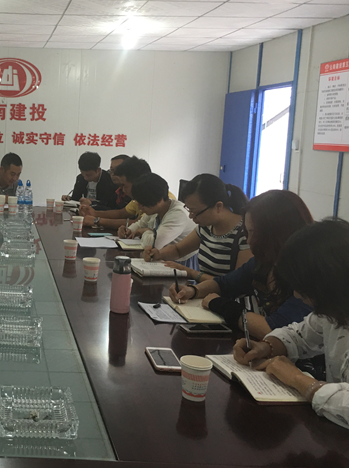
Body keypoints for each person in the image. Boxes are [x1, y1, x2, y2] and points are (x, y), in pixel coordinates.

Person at [233, 218, 349, 430]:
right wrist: (266, 347)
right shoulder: (335, 311)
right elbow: (299, 335)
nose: (297, 295)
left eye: (303, 289)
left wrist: (298, 379)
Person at [169, 190, 313, 340]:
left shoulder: (308, 275)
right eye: (247, 233)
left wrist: (219, 304)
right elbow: (225, 283)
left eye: (254, 233)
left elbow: (274, 329)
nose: (249, 241)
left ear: (278, 233)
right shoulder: (263, 262)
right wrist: (193, 290)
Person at [144, 174, 252, 281]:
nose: (191, 216)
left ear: (218, 206)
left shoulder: (246, 234)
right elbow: (178, 250)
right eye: (189, 210)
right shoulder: (206, 227)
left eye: (194, 212)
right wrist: (158, 254)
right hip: (204, 290)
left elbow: (236, 283)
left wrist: (191, 273)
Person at [117, 173, 198, 267]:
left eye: (142, 204)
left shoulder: (178, 214)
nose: (139, 207)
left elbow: (153, 244)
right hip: (159, 258)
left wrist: (146, 231)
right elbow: (140, 224)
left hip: (180, 264)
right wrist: (128, 230)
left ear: (159, 200)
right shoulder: (156, 208)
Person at [80, 157, 174, 229]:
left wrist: (97, 220)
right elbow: (122, 213)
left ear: (137, 182)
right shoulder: (139, 197)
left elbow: (138, 223)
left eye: (124, 186)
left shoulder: (157, 198)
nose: (122, 190)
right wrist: (94, 213)